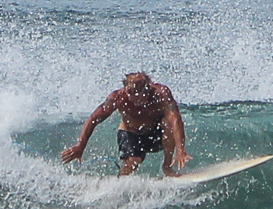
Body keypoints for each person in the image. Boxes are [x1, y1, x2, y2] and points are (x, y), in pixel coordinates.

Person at [61, 72, 190, 176]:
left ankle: (167, 167)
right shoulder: (118, 97)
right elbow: (94, 119)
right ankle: (120, 182)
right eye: (131, 93)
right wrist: (80, 146)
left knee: (167, 123)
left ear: (148, 87)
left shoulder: (161, 93)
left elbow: (175, 120)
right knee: (133, 162)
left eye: (139, 94)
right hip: (131, 133)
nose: (135, 98)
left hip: (155, 134)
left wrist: (180, 150)